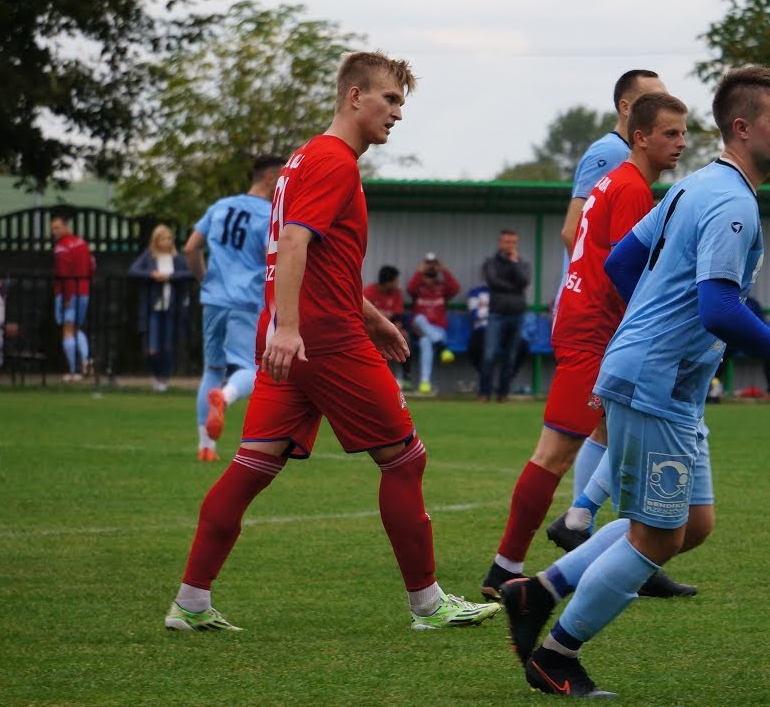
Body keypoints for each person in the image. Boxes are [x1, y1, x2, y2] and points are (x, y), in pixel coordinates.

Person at [500, 66, 770, 697]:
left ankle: (538, 590)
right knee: (657, 534)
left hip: (668, 381)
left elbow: (624, 259)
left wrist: (653, 319)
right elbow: (716, 306)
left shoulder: (695, 185)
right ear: (742, 128)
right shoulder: (732, 203)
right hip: (654, 384)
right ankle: (557, 653)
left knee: (692, 524)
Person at [165, 51, 498, 633]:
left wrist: (367, 316)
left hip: (297, 336)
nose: (397, 113)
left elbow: (321, 259)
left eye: (401, 102)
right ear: (354, 97)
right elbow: (294, 244)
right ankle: (428, 605)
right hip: (320, 339)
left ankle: (190, 602)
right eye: (389, 99)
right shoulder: (333, 161)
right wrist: (295, 328)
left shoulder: (303, 161)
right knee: (405, 459)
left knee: (251, 465)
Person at [482, 92, 695, 602]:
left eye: (684, 134)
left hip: (587, 323)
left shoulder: (619, 183)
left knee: (616, 436)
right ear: (640, 136)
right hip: (593, 333)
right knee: (554, 453)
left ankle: (605, 541)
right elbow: (628, 272)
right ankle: (503, 570)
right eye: (671, 134)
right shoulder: (629, 189)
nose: (681, 144)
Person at [557, 70, 666, 522]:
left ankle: (588, 527)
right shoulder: (612, 156)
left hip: (598, 309)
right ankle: (586, 529)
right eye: (652, 98)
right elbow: (572, 231)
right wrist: (603, 298)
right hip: (597, 313)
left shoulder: (628, 163)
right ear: (628, 108)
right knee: (589, 432)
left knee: (608, 426)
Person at [184, 155, 283, 462]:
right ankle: (224, 398)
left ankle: (206, 447)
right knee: (251, 368)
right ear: (269, 178)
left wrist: (205, 280)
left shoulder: (220, 207)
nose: (285, 184)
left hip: (213, 300)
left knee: (212, 368)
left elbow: (190, 247)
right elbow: (277, 262)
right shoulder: (270, 216)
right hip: (246, 301)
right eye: (282, 178)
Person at [129, 224, 192, 392]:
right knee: (152, 347)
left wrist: (171, 277)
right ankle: (156, 374)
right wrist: (152, 275)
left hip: (172, 308)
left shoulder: (177, 258)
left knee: (168, 344)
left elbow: (189, 272)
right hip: (154, 308)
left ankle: (164, 378)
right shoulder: (149, 257)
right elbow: (133, 271)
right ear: (156, 241)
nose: (167, 242)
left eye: (169, 238)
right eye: (163, 238)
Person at [479, 230, 531, 402]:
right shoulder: (491, 262)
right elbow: (493, 283)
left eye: (513, 242)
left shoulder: (522, 263)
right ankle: (484, 393)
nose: (510, 245)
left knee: (510, 356)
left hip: (517, 314)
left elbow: (524, 280)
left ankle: (503, 394)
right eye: (507, 242)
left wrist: (514, 263)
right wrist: (516, 288)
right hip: (497, 314)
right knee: (489, 354)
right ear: (500, 243)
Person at [50, 206, 96, 382]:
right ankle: (85, 361)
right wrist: (87, 283)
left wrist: (67, 297)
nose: (54, 232)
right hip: (84, 290)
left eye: (57, 228)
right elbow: (92, 265)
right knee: (76, 327)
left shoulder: (61, 248)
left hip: (68, 292)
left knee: (67, 330)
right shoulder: (82, 243)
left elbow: (63, 274)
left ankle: (74, 370)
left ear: (65, 226)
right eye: (53, 229)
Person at [406, 252, 460, 395]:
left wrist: (443, 270)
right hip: (420, 330)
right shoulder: (418, 289)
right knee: (420, 320)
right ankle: (443, 349)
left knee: (425, 340)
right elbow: (410, 289)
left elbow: (455, 288)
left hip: (438, 331)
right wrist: (420, 270)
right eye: (427, 276)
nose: (430, 279)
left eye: (432, 276)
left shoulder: (441, 288)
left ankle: (425, 382)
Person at [364, 264, 414, 387]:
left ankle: (406, 376)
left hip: (390, 328)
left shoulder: (397, 294)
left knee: (404, 338)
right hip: (370, 330)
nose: (397, 284)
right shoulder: (369, 292)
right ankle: (374, 379)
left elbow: (398, 317)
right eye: (396, 281)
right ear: (387, 281)